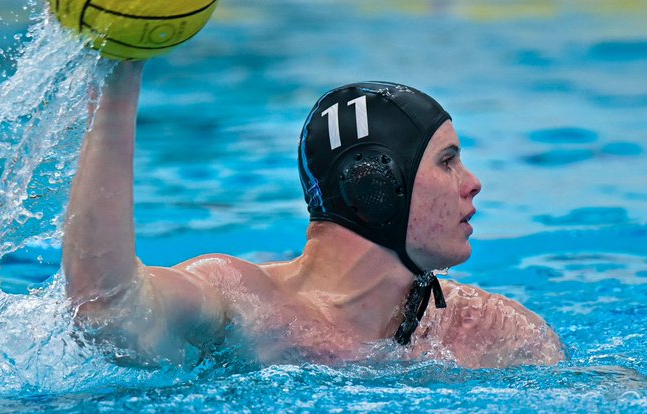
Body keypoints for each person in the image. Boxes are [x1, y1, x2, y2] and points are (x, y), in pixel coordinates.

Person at [62, 62, 565, 369]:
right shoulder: (243, 303)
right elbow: (108, 311)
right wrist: (116, 85)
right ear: (376, 182)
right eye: (447, 161)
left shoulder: (489, 329)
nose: (472, 182)